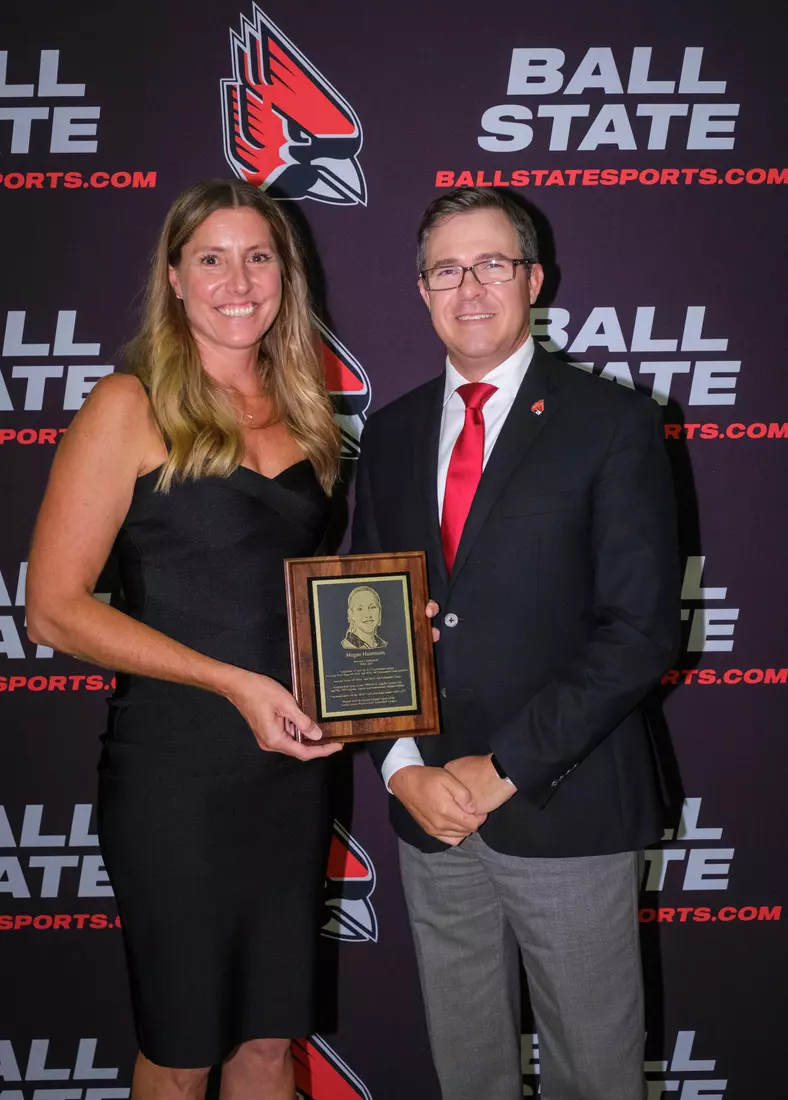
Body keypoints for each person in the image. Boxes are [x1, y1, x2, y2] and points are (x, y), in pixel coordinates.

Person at [351, 186, 680, 1100]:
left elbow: (640, 631)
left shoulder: (611, 424)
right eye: (445, 269)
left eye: (492, 263)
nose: (470, 288)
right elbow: (356, 620)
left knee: (595, 1074)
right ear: (420, 290)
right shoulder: (389, 436)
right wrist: (404, 766)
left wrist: (500, 770)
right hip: (429, 815)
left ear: (534, 279)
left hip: (562, 803)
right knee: (469, 1073)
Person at [26, 179, 344, 1100]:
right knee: (183, 1050)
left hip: (287, 767)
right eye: (211, 257)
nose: (237, 280)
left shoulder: (309, 416)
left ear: (286, 276)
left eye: (259, 257)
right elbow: (53, 607)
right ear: (174, 277)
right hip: (177, 775)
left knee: (266, 1043)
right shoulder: (128, 403)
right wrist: (230, 683)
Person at [340, 585, 387, 649]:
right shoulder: (344, 647)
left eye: (372, 607)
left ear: (379, 611)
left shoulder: (385, 646)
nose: (367, 615)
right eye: (360, 609)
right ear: (351, 614)